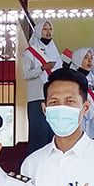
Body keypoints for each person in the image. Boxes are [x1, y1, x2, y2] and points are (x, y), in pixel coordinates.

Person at [23, 19, 59, 153]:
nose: (48, 32)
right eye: (45, 29)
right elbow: (25, 74)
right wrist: (42, 68)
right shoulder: (29, 52)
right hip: (37, 98)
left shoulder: (54, 50)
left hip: (53, 98)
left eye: (50, 29)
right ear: (38, 31)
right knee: (39, 134)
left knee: (52, 134)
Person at [70, 48, 94, 140]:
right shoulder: (71, 80)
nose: (90, 61)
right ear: (78, 59)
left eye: (91, 58)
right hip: (78, 128)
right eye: (86, 57)